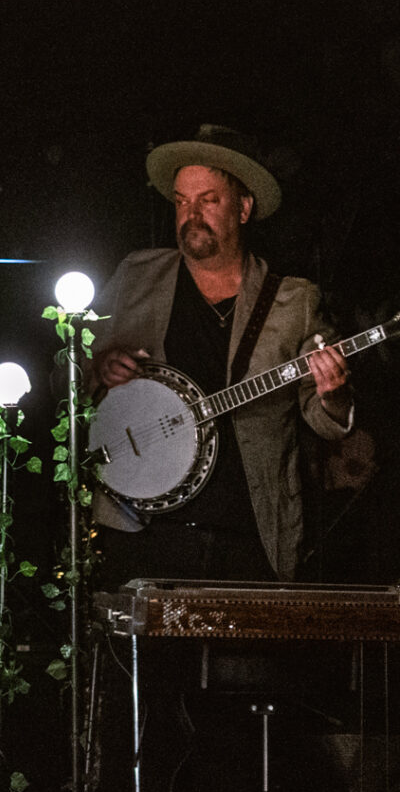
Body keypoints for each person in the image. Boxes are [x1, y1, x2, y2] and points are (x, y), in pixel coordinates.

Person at [89, 126, 352, 581]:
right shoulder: (136, 276)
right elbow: (66, 375)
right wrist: (98, 368)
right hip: (144, 533)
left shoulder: (294, 301)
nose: (191, 215)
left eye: (207, 200)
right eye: (181, 201)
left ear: (244, 209)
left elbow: (325, 417)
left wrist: (332, 393)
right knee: (146, 656)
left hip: (248, 539)